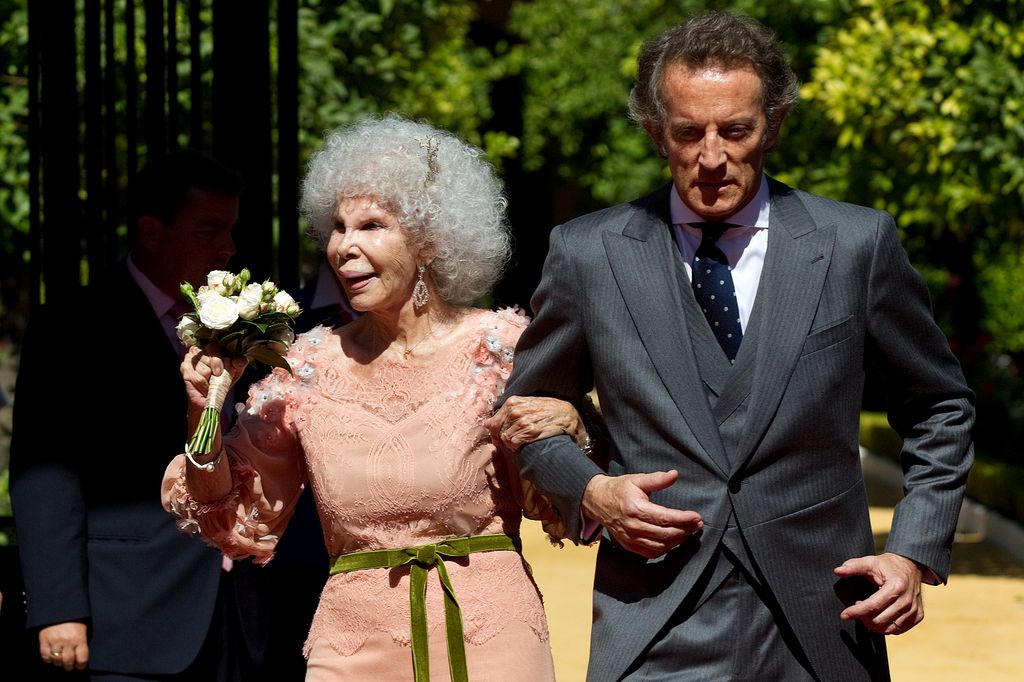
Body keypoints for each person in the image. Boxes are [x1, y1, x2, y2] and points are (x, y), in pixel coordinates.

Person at [493, 11, 975, 681]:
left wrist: (913, 551)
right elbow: (532, 407)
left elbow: (941, 406)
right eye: (688, 132)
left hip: (825, 623)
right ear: (656, 132)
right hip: (653, 619)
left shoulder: (856, 246)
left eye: (736, 130)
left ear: (773, 127)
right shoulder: (587, 254)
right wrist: (590, 490)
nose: (711, 156)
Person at [161, 114, 586, 681]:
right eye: (337, 227)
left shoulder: (500, 348)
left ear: (429, 238)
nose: (343, 247)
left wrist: (573, 421)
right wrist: (204, 412)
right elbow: (233, 517)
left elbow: (560, 496)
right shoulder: (303, 367)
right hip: (353, 645)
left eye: (371, 225)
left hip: (490, 636)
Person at [9, 150, 274, 680]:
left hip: (239, 615)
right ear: (152, 232)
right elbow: (44, 474)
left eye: (230, 230)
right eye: (209, 230)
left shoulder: (242, 322)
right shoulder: (73, 326)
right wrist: (59, 608)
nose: (228, 248)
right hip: (128, 612)